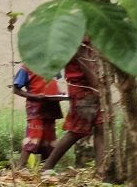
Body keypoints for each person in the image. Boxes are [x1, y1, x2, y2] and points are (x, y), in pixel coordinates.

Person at [44, 42, 103, 170]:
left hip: (90, 87)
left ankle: (101, 170)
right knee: (77, 130)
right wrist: (96, 86)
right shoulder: (80, 37)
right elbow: (83, 59)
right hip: (84, 89)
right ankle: (47, 167)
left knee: (101, 126)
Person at [11, 63, 64, 169]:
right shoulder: (27, 67)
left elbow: (53, 84)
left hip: (51, 106)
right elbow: (15, 89)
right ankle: (20, 168)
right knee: (33, 137)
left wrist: (59, 94)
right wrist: (34, 96)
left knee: (49, 139)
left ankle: (45, 169)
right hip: (36, 107)